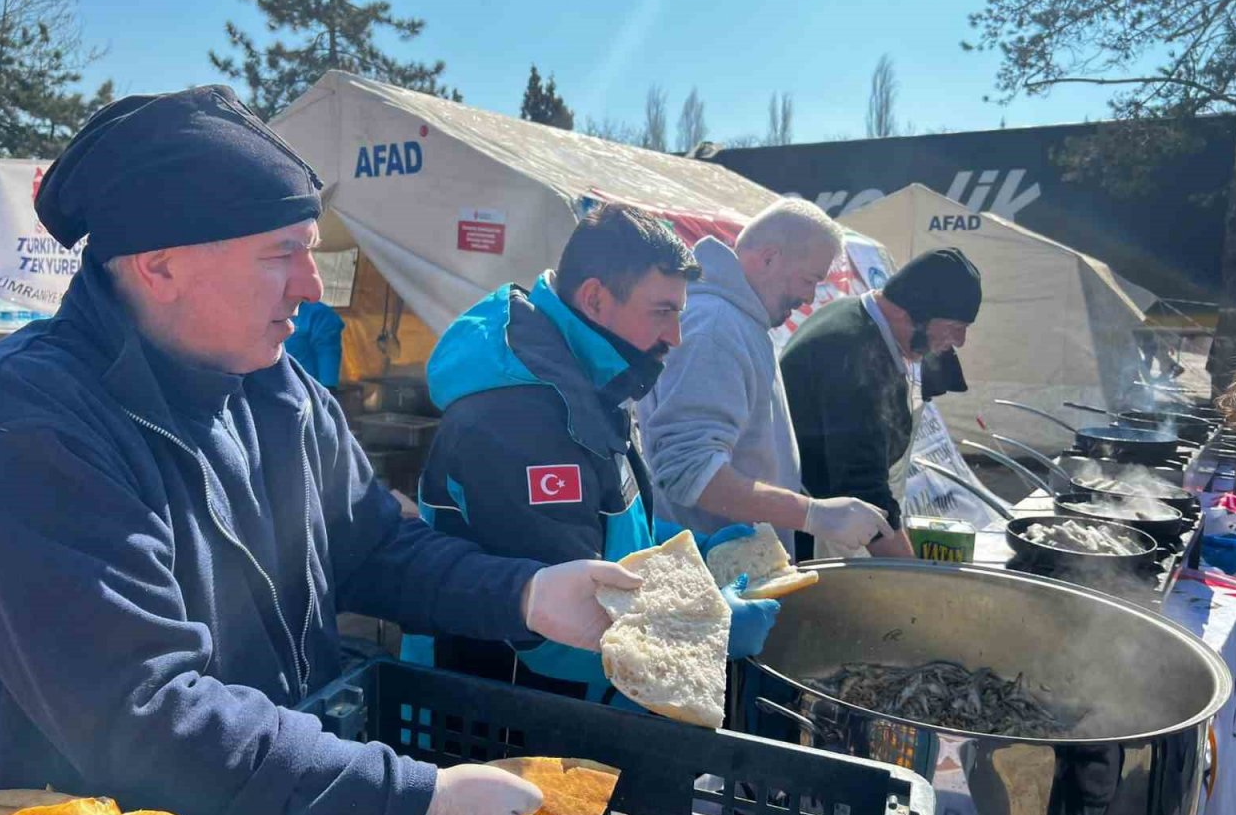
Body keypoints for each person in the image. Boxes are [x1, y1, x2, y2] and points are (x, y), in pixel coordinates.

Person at [0, 85, 641, 815]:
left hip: (280, 813)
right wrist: (423, 805)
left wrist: (528, 594)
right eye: (280, 253)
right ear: (160, 267)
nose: (313, 286)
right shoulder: (27, 421)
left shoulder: (273, 387)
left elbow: (373, 549)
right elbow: (142, 714)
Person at [419, 202, 780, 703]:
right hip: (502, 714)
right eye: (662, 312)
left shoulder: (592, 380)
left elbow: (605, 529)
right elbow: (553, 629)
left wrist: (692, 548)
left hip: (578, 700)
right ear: (594, 299)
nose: (674, 337)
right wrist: (708, 630)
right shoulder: (518, 418)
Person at [637, 198, 893, 558]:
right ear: (769, 257)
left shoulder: (740, 320)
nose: (807, 298)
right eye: (809, 280)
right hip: (713, 574)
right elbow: (689, 471)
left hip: (734, 568)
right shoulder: (716, 327)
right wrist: (812, 514)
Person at [780, 248, 982, 559]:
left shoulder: (876, 322)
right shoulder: (851, 354)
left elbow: (939, 373)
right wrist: (913, 580)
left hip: (853, 521)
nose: (960, 342)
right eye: (955, 328)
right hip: (816, 533)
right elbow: (861, 486)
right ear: (906, 313)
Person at [284, 299, 345, 389]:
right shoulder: (271, 308)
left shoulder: (320, 313)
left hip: (304, 387)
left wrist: (328, 386)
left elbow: (328, 350)